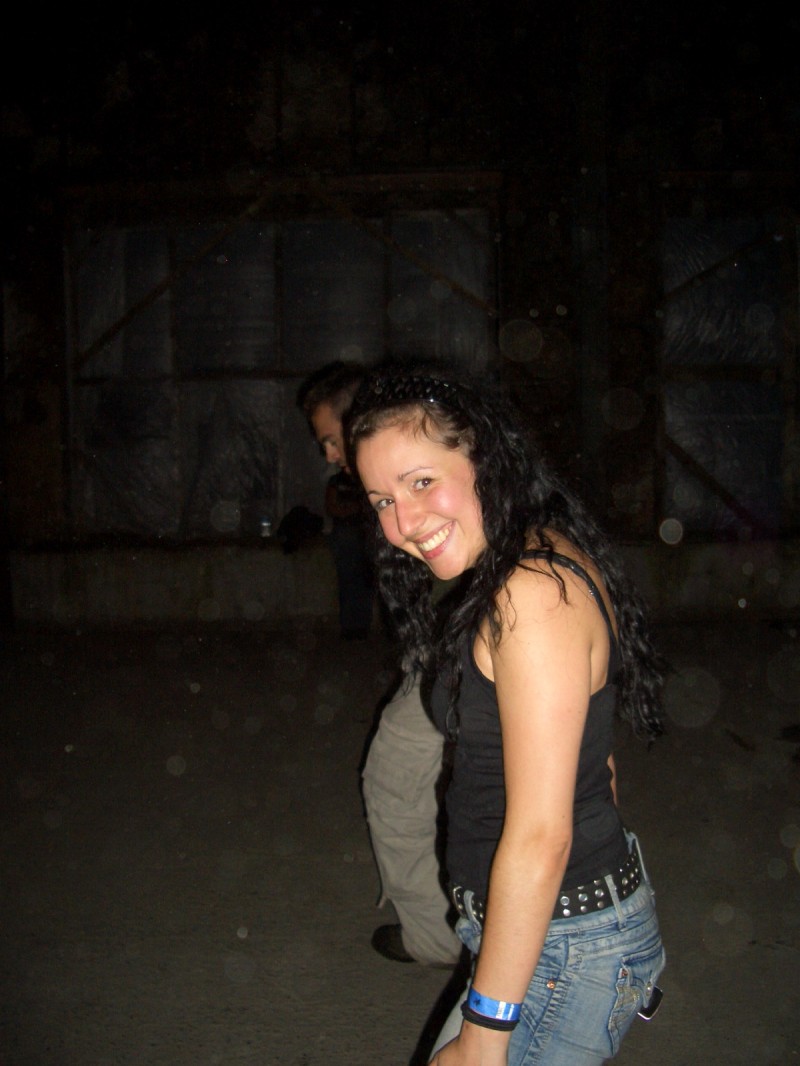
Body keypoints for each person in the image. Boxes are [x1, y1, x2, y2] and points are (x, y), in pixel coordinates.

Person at [346, 360, 666, 1065]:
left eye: (420, 482)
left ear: (485, 456)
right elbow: (600, 768)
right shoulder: (526, 562)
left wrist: (485, 1035)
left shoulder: (531, 594)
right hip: (550, 934)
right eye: (381, 500)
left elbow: (542, 837)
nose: (403, 523)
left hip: (561, 949)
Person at [296, 362, 462, 967]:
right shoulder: (391, 481)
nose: (331, 454)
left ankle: (441, 938)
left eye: (332, 437)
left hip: (465, 646)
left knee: (397, 780)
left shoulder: (419, 467)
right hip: (454, 645)